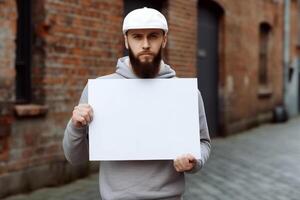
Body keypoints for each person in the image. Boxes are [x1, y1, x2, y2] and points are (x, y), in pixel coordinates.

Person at [63, 7, 211, 200]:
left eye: (153, 36)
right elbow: (74, 158)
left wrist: (194, 161)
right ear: (126, 40)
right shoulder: (101, 89)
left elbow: (203, 143)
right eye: (137, 37)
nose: (145, 44)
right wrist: (75, 126)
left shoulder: (185, 93)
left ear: (164, 39)